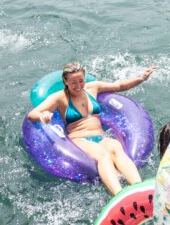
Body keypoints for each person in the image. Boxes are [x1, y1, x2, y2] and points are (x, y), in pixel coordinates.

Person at [27, 62, 156, 195]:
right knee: (103, 154)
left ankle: (139, 188)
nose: (78, 86)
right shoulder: (59, 98)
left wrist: (141, 78)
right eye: (73, 82)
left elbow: (119, 86)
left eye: (81, 81)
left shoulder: (93, 87)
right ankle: (119, 195)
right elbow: (32, 114)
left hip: (100, 135)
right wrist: (43, 116)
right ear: (65, 81)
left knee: (115, 146)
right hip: (79, 138)